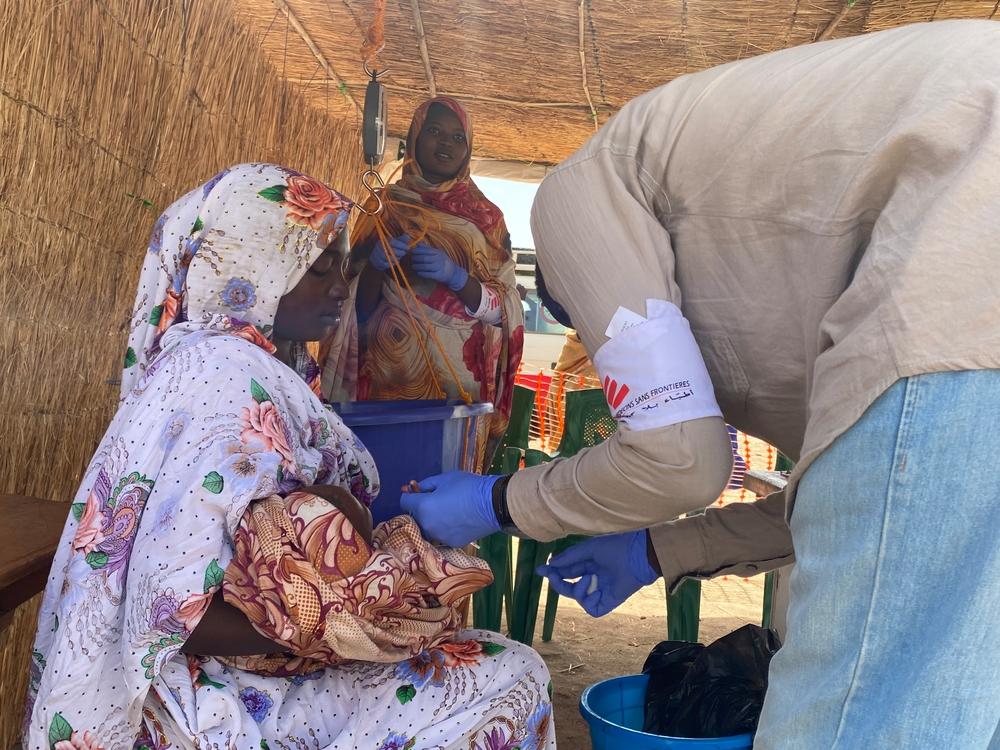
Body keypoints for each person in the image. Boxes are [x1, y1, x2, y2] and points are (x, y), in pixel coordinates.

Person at [401, 20, 1000, 748]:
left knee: (851, 721)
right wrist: (655, 552)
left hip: (967, 230)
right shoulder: (763, 264)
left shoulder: (572, 201)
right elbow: (855, 500)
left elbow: (681, 460)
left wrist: (497, 503)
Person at [25, 164, 554, 750]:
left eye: (343, 267)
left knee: (488, 664)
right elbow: (173, 609)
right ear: (249, 263)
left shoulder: (236, 368)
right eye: (318, 264)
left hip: (257, 658)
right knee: (508, 676)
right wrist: (337, 630)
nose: (339, 286)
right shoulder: (218, 377)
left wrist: (345, 598)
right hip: (203, 692)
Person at [322, 97, 524, 464]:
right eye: (434, 131)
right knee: (379, 482)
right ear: (414, 137)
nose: (446, 143)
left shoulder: (488, 219)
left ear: (468, 148)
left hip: (456, 393)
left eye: (457, 137)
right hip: (381, 386)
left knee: (440, 485)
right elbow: (350, 309)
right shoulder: (383, 207)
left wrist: (459, 279)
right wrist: (375, 269)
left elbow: (506, 311)